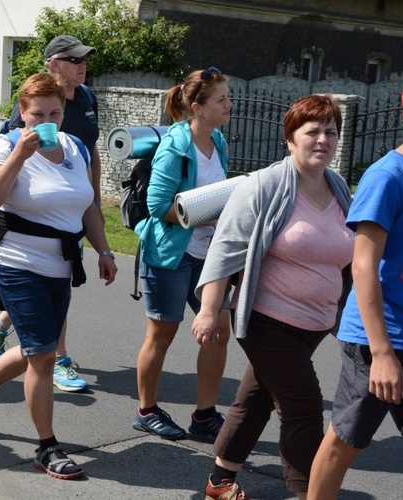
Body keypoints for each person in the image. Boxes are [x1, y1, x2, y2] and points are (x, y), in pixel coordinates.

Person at [192, 95, 354, 499]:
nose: (322, 140)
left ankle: (219, 482)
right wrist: (210, 309)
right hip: (267, 319)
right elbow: (226, 248)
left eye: (330, 132)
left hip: (315, 323)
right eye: (311, 131)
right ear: (290, 138)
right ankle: (307, 493)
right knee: (303, 407)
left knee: (256, 398)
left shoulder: (338, 188)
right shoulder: (263, 185)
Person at [0, 72, 117, 479]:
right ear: (22, 114)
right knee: (45, 357)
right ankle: (48, 447)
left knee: (36, 349)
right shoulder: (5, 145)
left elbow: (88, 207)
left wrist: (104, 250)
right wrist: (18, 157)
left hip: (61, 266)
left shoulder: (76, 147)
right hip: (17, 263)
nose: (47, 119)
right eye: (37, 113)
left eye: (55, 112)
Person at [307, 77, 403, 500]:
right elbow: (364, 265)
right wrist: (384, 355)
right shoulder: (389, 176)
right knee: (346, 439)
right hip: (381, 338)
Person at [0, 34, 100, 392]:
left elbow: (90, 150)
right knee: (41, 348)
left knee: (38, 333)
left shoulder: (87, 97)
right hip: (21, 240)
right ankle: (58, 360)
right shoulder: (26, 110)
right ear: (53, 64)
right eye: (74, 59)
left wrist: (92, 202)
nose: (82, 65)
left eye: (84, 59)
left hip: (69, 218)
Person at [131, 67, 232, 442]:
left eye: (228, 97)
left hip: (210, 255)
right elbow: (157, 205)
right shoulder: (175, 146)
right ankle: (146, 410)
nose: (229, 104)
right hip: (170, 253)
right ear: (197, 107)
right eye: (221, 99)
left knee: (217, 331)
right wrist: (204, 219)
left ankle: (204, 415)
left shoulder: (217, 141)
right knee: (162, 335)